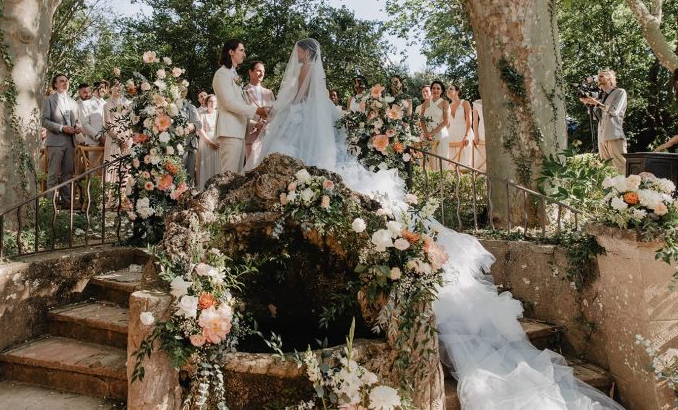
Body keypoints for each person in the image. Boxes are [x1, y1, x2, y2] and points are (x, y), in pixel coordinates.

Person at [250, 39, 623, 410]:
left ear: (303, 55)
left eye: (297, 54)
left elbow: (296, 100)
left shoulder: (302, 73)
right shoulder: (322, 94)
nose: (295, 58)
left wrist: (275, 113)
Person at [211, 39, 268, 173]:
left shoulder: (233, 74)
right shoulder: (221, 74)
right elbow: (229, 103)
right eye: (241, 50)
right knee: (228, 175)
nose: (244, 54)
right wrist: (258, 110)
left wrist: (253, 124)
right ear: (231, 52)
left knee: (235, 177)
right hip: (229, 131)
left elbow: (240, 104)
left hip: (239, 131)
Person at [41, 74, 80, 207]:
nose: (65, 83)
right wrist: (62, 128)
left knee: (68, 175)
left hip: (71, 142)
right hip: (55, 143)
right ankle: (49, 205)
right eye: (61, 81)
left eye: (66, 81)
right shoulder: (49, 100)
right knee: (52, 174)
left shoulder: (73, 102)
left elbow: (76, 121)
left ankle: (67, 204)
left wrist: (78, 127)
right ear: (55, 84)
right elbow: (44, 121)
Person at [580, 69, 628, 174]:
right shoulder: (601, 96)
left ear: (610, 78)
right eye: (598, 76)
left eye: (602, 76)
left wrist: (596, 103)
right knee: (607, 170)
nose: (598, 78)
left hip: (614, 135)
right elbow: (595, 117)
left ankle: (628, 190)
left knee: (621, 167)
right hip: (602, 137)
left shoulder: (620, 92)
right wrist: (589, 104)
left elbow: (614, 111)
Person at [243, 60, 276, 170]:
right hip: (251, 137)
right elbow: (240, 114)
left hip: (268, 138)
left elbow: (275, 113)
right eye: (258, 71)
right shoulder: (243, 91)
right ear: (250, 72)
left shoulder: (269, 92)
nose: (262, 74)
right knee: (251, 170)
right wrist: (256, 124)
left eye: (263, 71)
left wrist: (269, 123)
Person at [102, 81, 132, 184]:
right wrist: (120, 139)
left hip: (126, 143)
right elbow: (108, 126)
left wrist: (127, 140)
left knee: (125, 171)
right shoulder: (107, 105)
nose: (118, 88)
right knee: (112, 169)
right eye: (116, 86)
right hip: (113, 141)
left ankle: (123, 198)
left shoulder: (127, 105)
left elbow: (130, 124)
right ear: (110, 89)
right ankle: (109, 198)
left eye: (120, 85)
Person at [418, 80, 450, 170]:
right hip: (427, 134)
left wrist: (432, 133)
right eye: (433, 88)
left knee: (440, 159)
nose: (435, 90)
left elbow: (446, 121)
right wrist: (426, 133)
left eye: (438, 88)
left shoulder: (445, 103)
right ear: (431, 90)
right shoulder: (425, 104)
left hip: (440, 134)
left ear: (442, 91)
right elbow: (422, 120)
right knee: (428, 160)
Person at [179, 84, 203, 182]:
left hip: (192, 145)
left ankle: (188, 194)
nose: (182, 92)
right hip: (178, 145)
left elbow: (199, 124)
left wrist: (192, 126)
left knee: (190, 175)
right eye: (180, 90)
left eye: (184, 90)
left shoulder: (191, 107)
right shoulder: (171, 106)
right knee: (179, 174)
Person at [197, 94, 221, 190]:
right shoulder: (202, 114)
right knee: (206, 166)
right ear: (206, 103)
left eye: (215, 101)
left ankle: (216, 189)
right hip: (206, 143)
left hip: (218, 143)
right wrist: (210, 143)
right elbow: (201, 130)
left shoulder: (219, 114)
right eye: (210, 101)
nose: (213, 103)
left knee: (217, 165)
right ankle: (203, 188)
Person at [446, 84, 473, 167]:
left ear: (457, 92)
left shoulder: (465, 103)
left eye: (451, 89)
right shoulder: (448, 106)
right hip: (452, 133)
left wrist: (467, 135)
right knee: (452, 157)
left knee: (466, 156)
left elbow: (469, 119)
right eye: (448, 89)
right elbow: (447, 124)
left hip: (463, 131)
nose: (448, 90)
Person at [472, 97, 487, 171]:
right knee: (482, 152)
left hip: (494, 129)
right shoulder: (476, 103)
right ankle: (481, 176)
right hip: (482, 129)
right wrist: (475, 135)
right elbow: (475, 120)